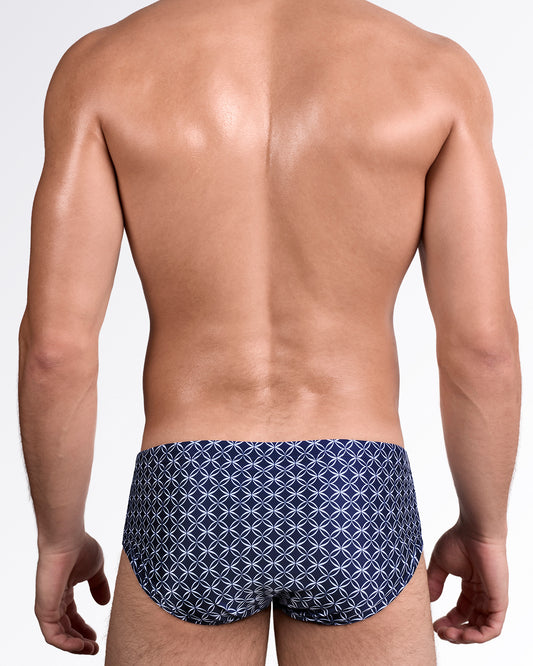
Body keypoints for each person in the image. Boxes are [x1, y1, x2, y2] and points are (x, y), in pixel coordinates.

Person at [18, 0, 521, 664]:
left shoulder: (103, 67)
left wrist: (58, 539)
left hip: (190, 491)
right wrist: (485, 530)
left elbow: (54, 351)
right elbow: (482, 349)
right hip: (354, 491)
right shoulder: (434, 71)